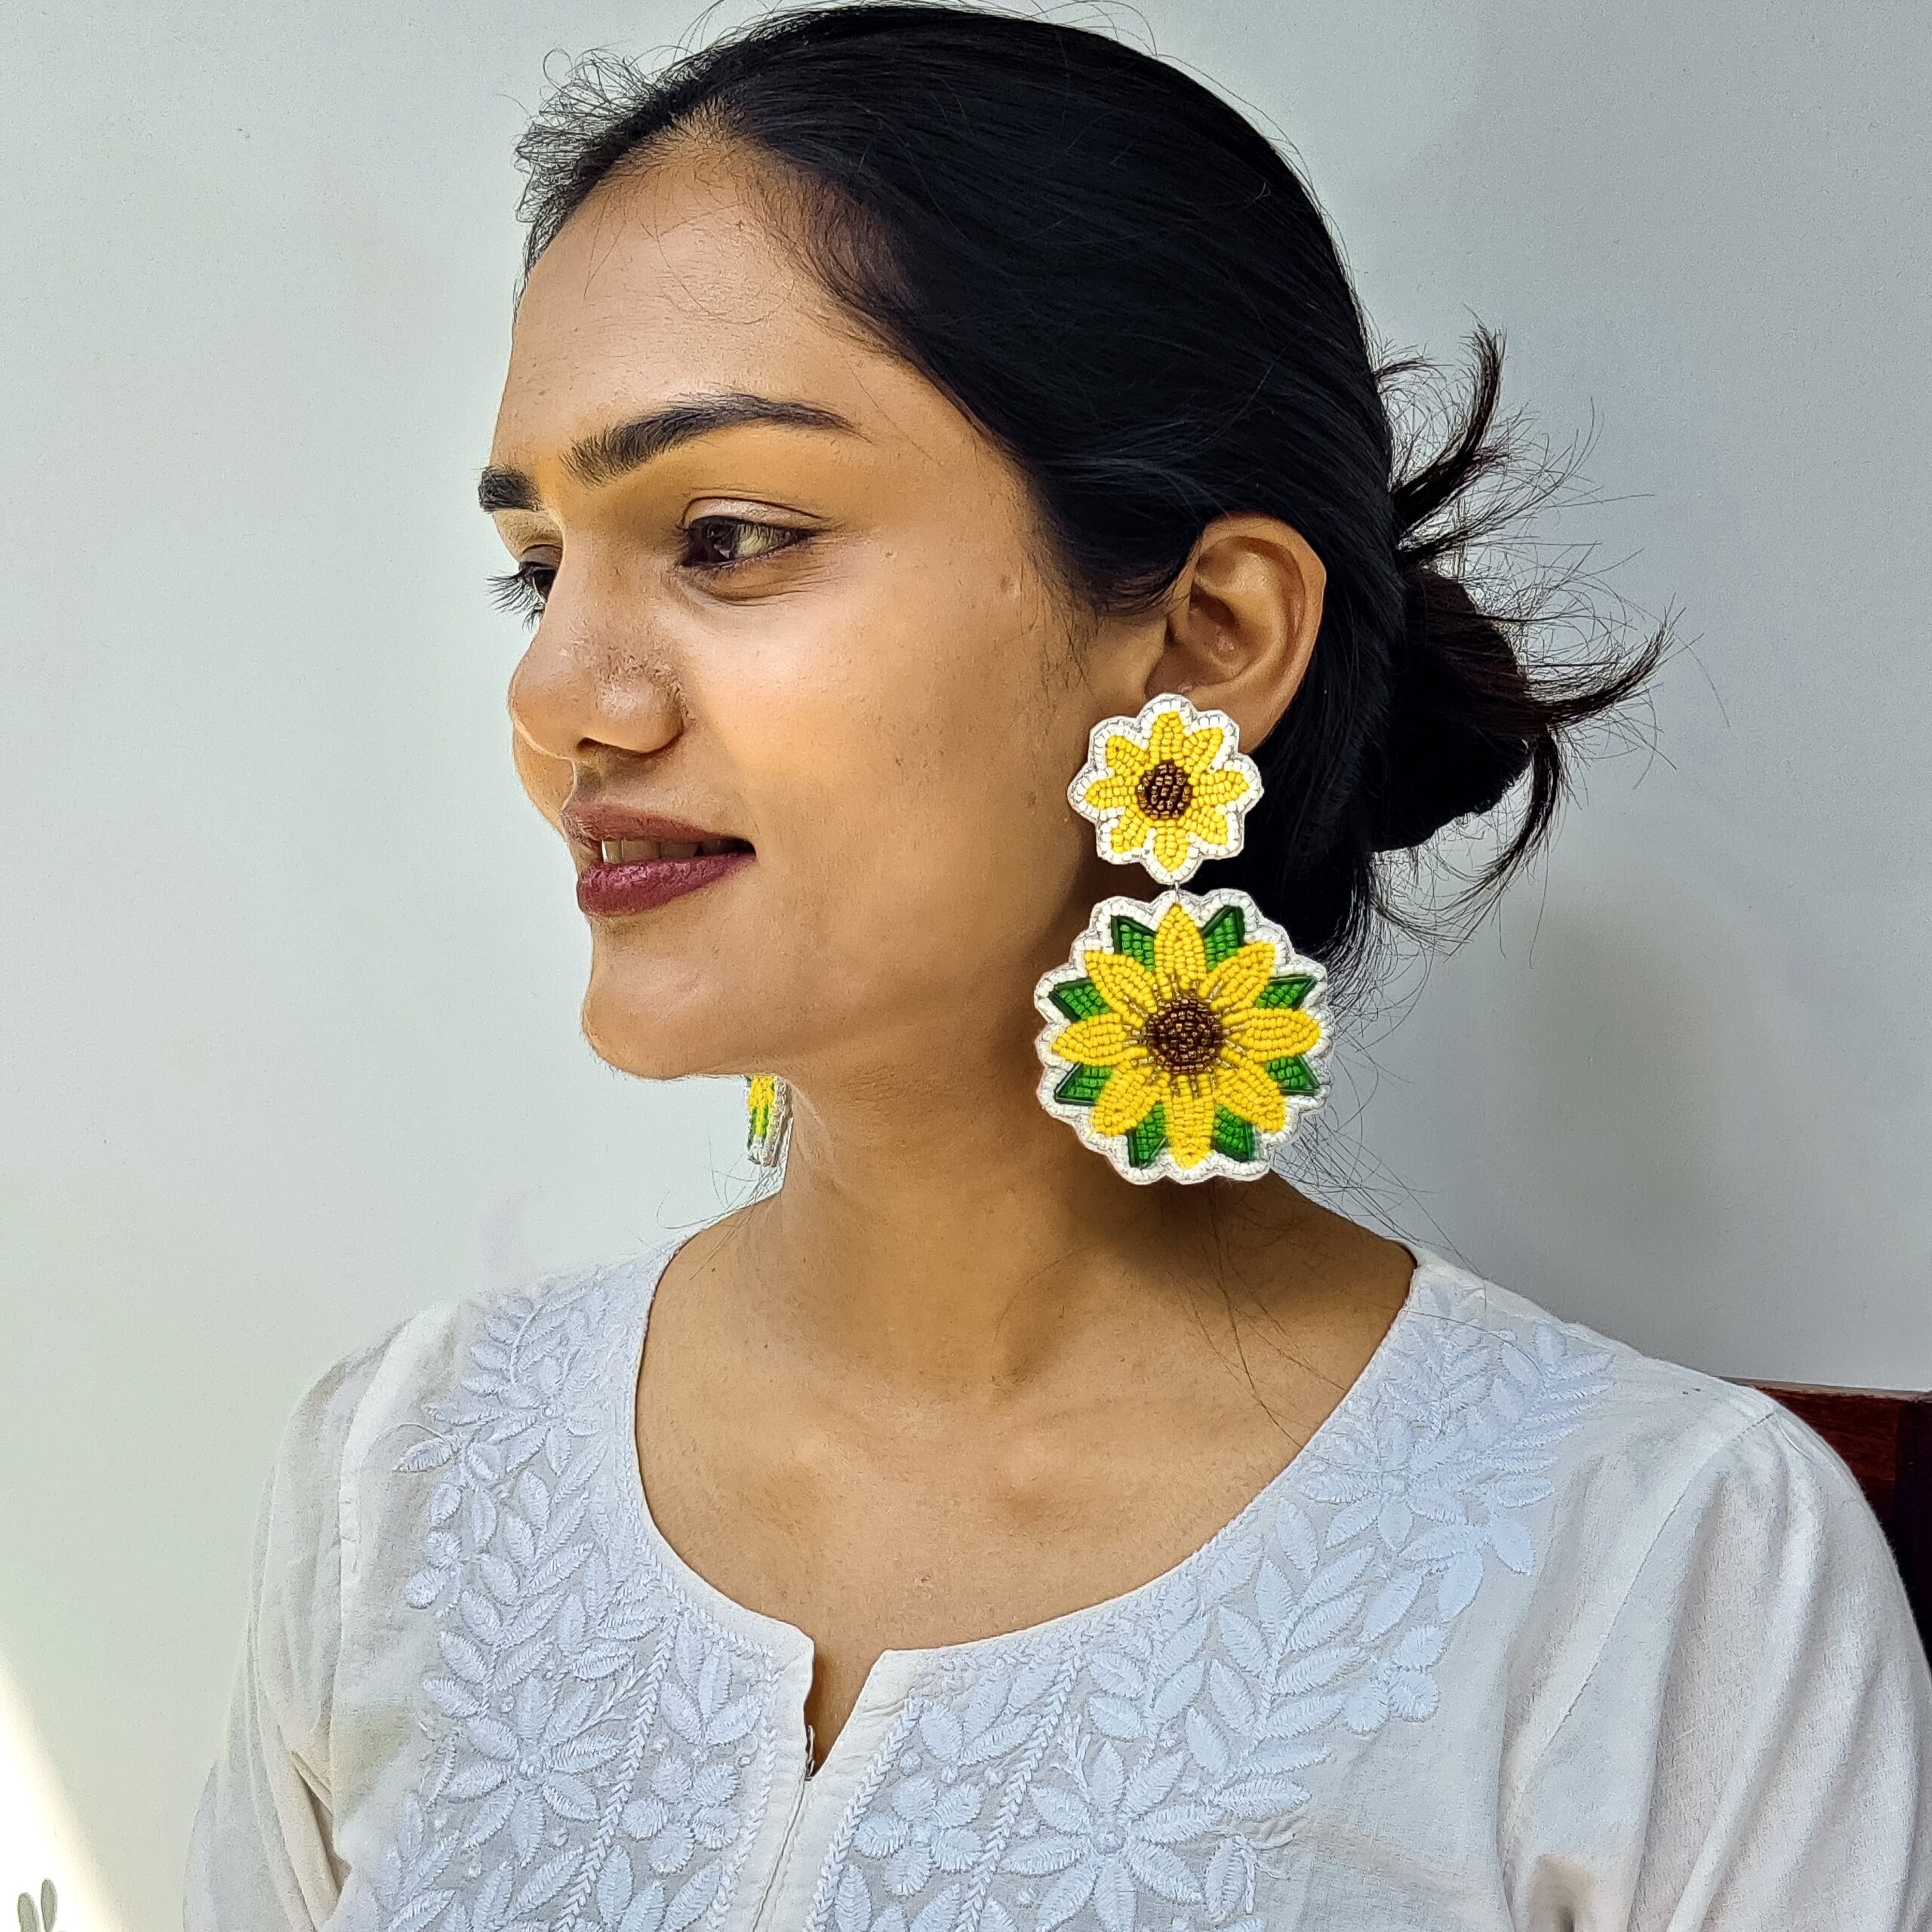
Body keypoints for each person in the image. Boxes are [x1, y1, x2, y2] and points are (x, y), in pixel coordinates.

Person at [182, 6, 1932, 1927]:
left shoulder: (1657, 1576)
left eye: (729, 536)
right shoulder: (404, 1481)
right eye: (540, 565)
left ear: (1203, 632)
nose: (560, 699)